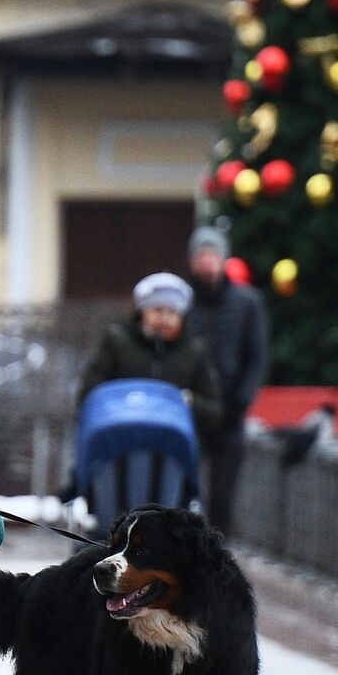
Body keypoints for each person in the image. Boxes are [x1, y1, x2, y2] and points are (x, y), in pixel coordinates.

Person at [184, 227, 269, 533]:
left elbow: (256, 357)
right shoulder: (182, 302)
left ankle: (218, 556)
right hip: (189, 411)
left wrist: (240, 400)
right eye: (201, 255)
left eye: (213, 255)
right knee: (185, 491)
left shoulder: (247, 304)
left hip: (230, 414)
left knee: (223, 495)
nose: (207, 262)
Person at [79, 272, 224, 437]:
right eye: (157, 310)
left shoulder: (194, 350)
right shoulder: (117, 341)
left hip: (171, 444)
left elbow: (214, 410)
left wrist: (188, 402)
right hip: (120, 437)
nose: (164, 319)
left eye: (172, 312)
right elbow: (90, 393)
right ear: (143, 312)